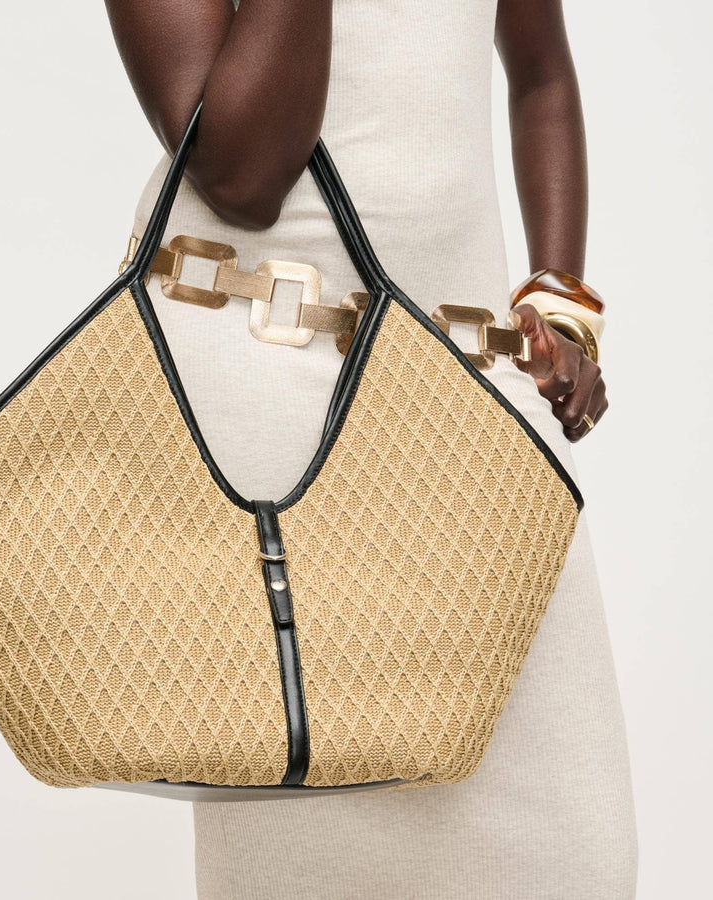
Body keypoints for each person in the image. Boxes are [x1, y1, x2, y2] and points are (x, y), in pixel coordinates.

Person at [104, 1, 639, 897]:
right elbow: (244, 175)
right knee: (305, 842)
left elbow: (541, 71)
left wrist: (561, 307)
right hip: (269, 400)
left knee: (575, 848)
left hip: (469, 390)